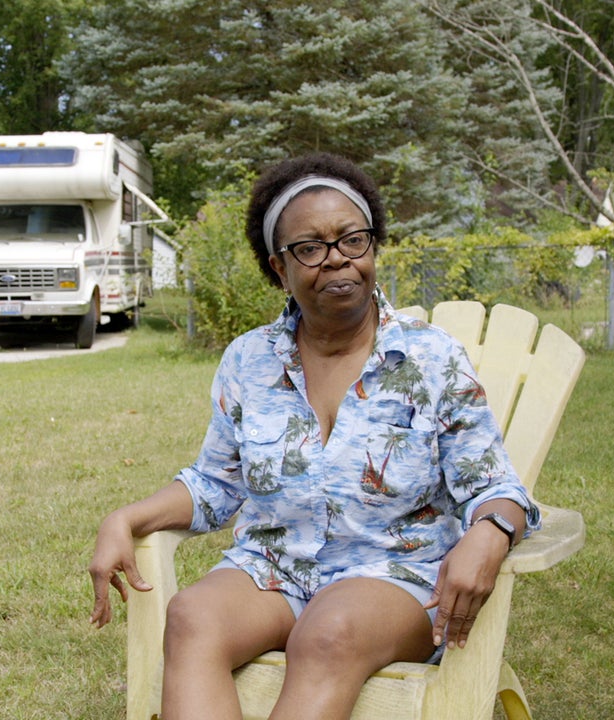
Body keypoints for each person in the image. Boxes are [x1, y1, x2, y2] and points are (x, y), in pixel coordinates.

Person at [87, 153, 540, 720]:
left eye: (353, 240)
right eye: (311, 248)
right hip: (276, 567)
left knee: (329, 630)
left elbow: (495, 486)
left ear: (373, 247)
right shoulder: (248, 360)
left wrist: (491, 532)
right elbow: (215, 483)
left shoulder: (431, 360)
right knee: (192, 617)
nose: (337, 261)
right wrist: (124, 519)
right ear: (279, 267)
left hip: (394, 574)